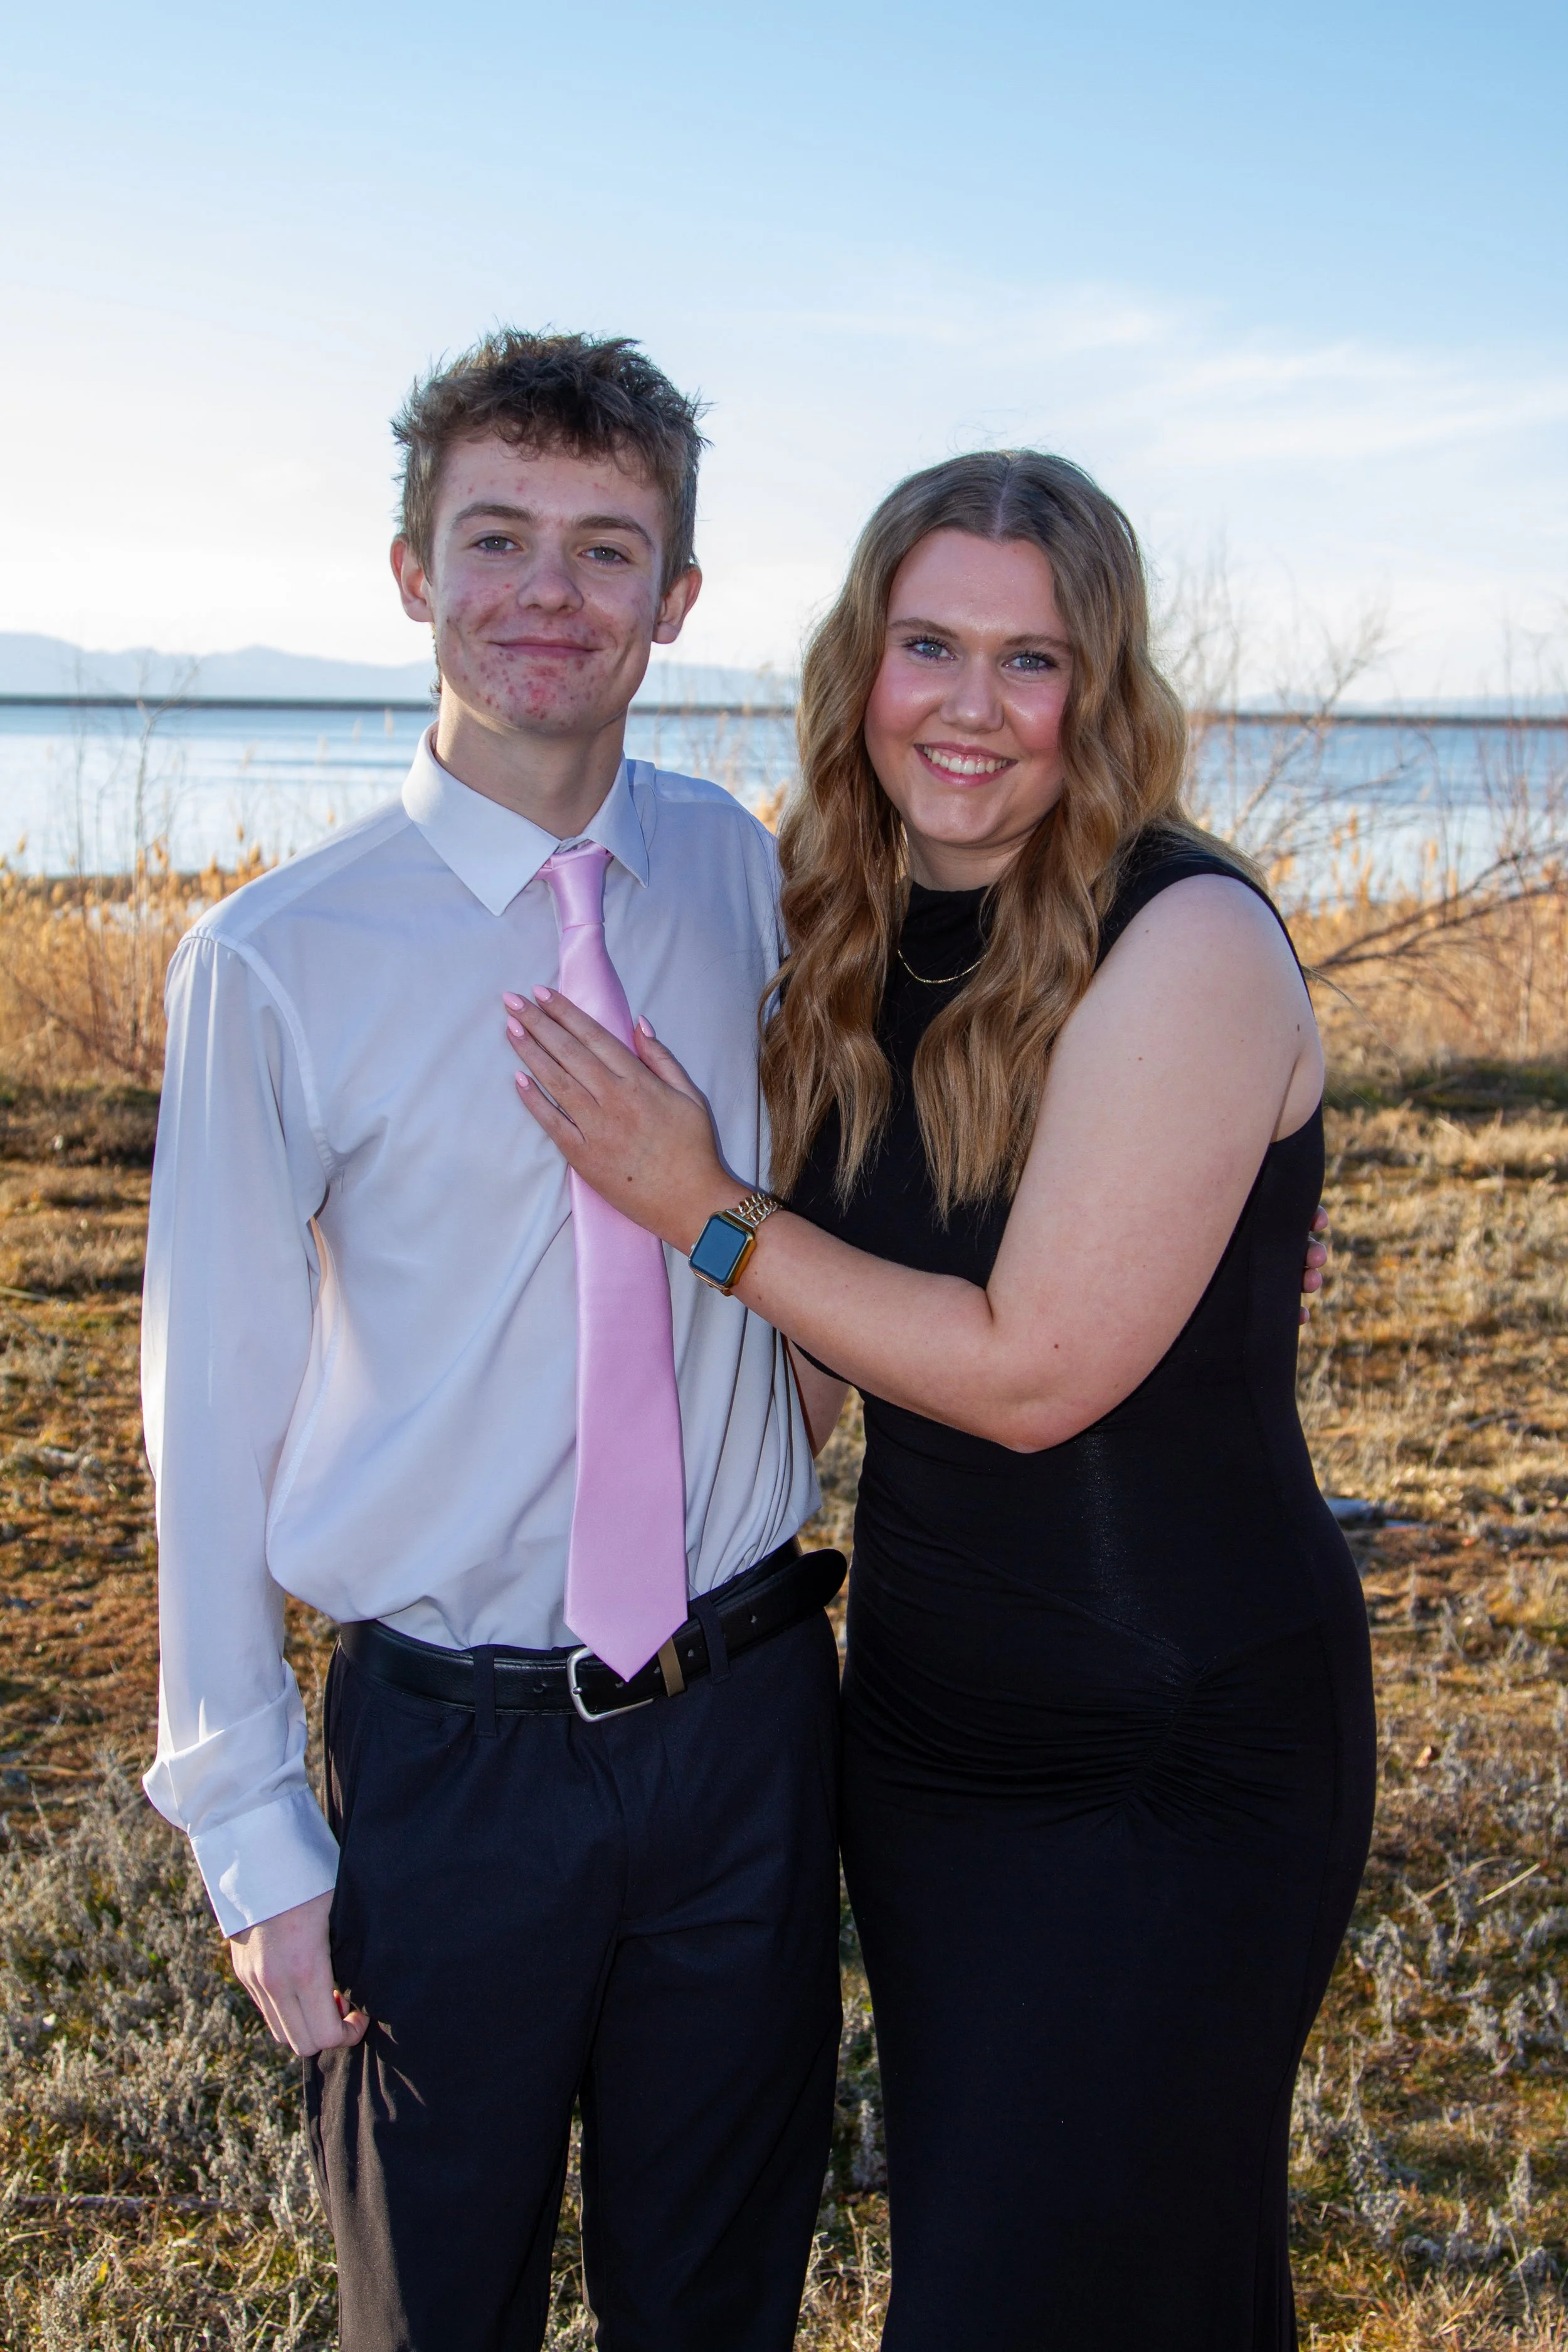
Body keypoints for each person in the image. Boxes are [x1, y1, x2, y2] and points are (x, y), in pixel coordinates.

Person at [505, 450, 1375, 2351]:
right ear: (859, 663)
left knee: (1020, 2293)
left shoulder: (1189, 939)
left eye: (1029, 660)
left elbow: (1030, 1371)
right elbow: (825, 1359)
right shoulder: (840, 928)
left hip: (1175, 1738)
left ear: (1102, 690)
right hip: (930, 1739)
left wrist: (700, 1209)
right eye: (928, 645)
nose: (969, 708)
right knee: (1143, 2274)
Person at [141, 331, 848, 2352]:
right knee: (434, 2311)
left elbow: (911, 1091)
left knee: (716, 2302)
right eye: (499, 536)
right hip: (453, 1765)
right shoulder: (274, 961)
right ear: (410, 571)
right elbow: (209, 1413)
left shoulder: (731, 862)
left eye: (608, 547)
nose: (552, 589)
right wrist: (257, 1831)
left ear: (677, 600)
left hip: (744, 1716)